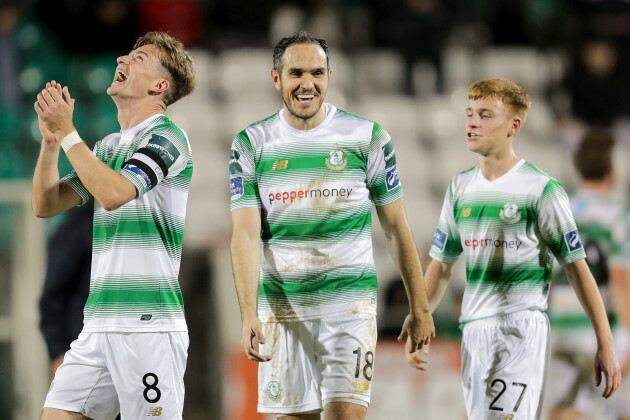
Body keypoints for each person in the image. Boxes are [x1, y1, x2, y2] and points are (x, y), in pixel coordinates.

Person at [229, 30, 434, 420]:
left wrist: (419, 307)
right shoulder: (251, 144)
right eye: (296, 73)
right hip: (283, 312)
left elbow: (395, 226)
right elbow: (244, 233)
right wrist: (248, 313)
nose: (308, 84)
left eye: (318, 73)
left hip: (349, 308)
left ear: (329, 76)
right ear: (276, 78)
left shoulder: (367, 137)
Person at [404, 78, 621, 419]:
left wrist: (605, 342)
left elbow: (578, 269)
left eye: (486, 115)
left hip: (518, 329)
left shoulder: (541, 190)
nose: (473, 122)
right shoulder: (460, 188)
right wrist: (421, 316)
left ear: (513, 126)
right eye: (470, 113)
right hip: (473, 329)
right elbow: (442, 265)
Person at [32, 31, 195, 420]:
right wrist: (52, 142)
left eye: (138, 58)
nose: (122, 59)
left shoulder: (169, 138)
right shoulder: (107, 146)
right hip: (97, 325)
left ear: (160, 85)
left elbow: (114, 193)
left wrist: (70, 134)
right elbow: (46, 203)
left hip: (147, 327)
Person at [547, 128, 630, 420]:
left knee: (566, 409)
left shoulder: (559, 210)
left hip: (562, 324)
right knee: (622, 407)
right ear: (612, 170)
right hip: (603, 328)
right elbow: (620, 280)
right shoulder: (619, 216)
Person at [39, 201, 93, 380]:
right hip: (83, 351)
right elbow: (53, 293)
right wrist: (58, 352)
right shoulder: (82, 221)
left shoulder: (146, 222)